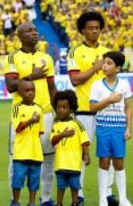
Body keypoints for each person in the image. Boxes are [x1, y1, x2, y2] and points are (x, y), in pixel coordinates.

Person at [4, 22, 56, 206]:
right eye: (29, 30)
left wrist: (58, 113)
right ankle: (14, 200)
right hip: (22, 115)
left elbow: (51, 87)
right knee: (16, 160)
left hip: (46, 114)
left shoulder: (47, 58)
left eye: (35, 30)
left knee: (48, 158)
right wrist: (32, 75)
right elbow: (10, 87)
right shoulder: (12, 58)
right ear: (20, 36)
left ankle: (46, 199)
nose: (34, 33)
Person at [67, 11, 115, 205]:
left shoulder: (107, 53)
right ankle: (78, 194)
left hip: (106, 110)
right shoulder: (75, 52)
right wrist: (95, 67)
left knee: (107, 153)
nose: (94, 31)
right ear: (82, 30)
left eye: (97, 28)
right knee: (80, 153)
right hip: (84, 110)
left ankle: (107, 194)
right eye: (90, 28)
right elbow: (75, 79)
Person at [90, 51, 132, 206]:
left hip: (119, 128)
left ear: (118, 68)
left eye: (109, 63)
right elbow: (93, 108)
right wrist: (109, 100)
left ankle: (123, 198)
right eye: (104, 63)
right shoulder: (96, 85)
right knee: (104, 161)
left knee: (119, 162)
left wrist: (129, 128)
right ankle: (103, 199)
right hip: (103, 127)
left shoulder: (124, 84)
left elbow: (128, 108)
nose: (104, 66)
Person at [50, 90, 90, 206]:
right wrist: (62, 135)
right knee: (60, 186)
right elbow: (53, 141)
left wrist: (86, 154)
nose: (60, 110)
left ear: (71, 109)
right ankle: (59, 203)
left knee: (74, 186)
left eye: (64, 107)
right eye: (58, 107)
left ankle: (74, 202)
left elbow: (84, 141)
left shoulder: (77, 124)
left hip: (74, 164)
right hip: (60, 163)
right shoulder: (56, 124)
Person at [10, 79, 44, 206]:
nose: (31, 93)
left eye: (33, 90)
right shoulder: (16, 108)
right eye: (27, 90)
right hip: (21, 153)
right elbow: (18, 128)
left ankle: (32, 202)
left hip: (35, 153)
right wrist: (31, 120)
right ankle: (16, 202)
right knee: (17, 181)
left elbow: (40, 132)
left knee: (34, 182)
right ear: (19, 93)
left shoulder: (39, 109)